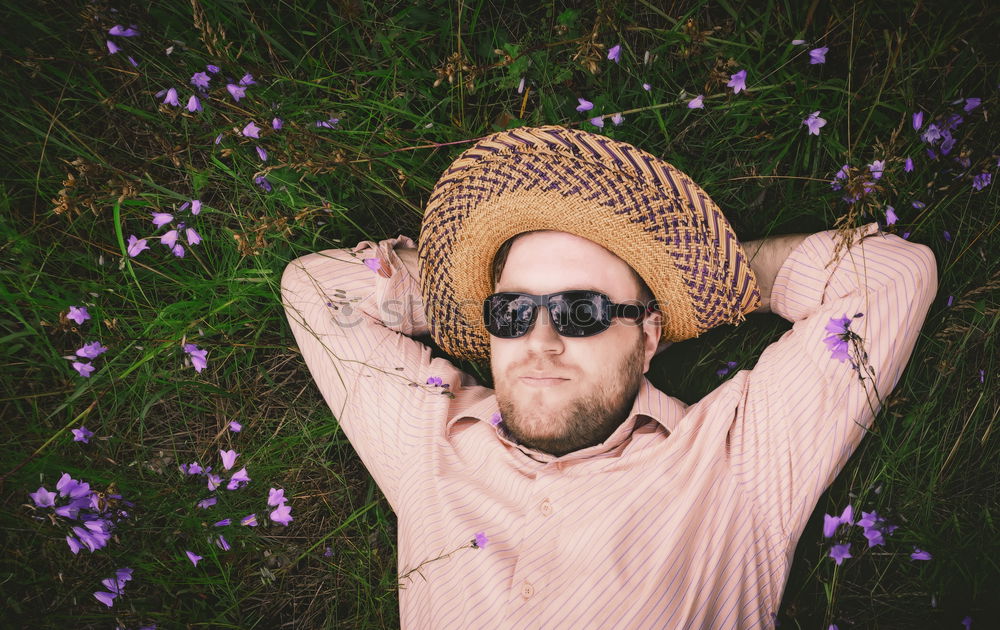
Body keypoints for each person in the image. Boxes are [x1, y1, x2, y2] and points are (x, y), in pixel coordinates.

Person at [281, 126, 937, 629]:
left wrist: (714, 283)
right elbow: (312, 289)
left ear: (648, 336)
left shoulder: (734, 466)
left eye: (581, 311)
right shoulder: (429, 440)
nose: (538, 341)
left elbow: (891, 278)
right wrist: (461, 295)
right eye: (512, 311)